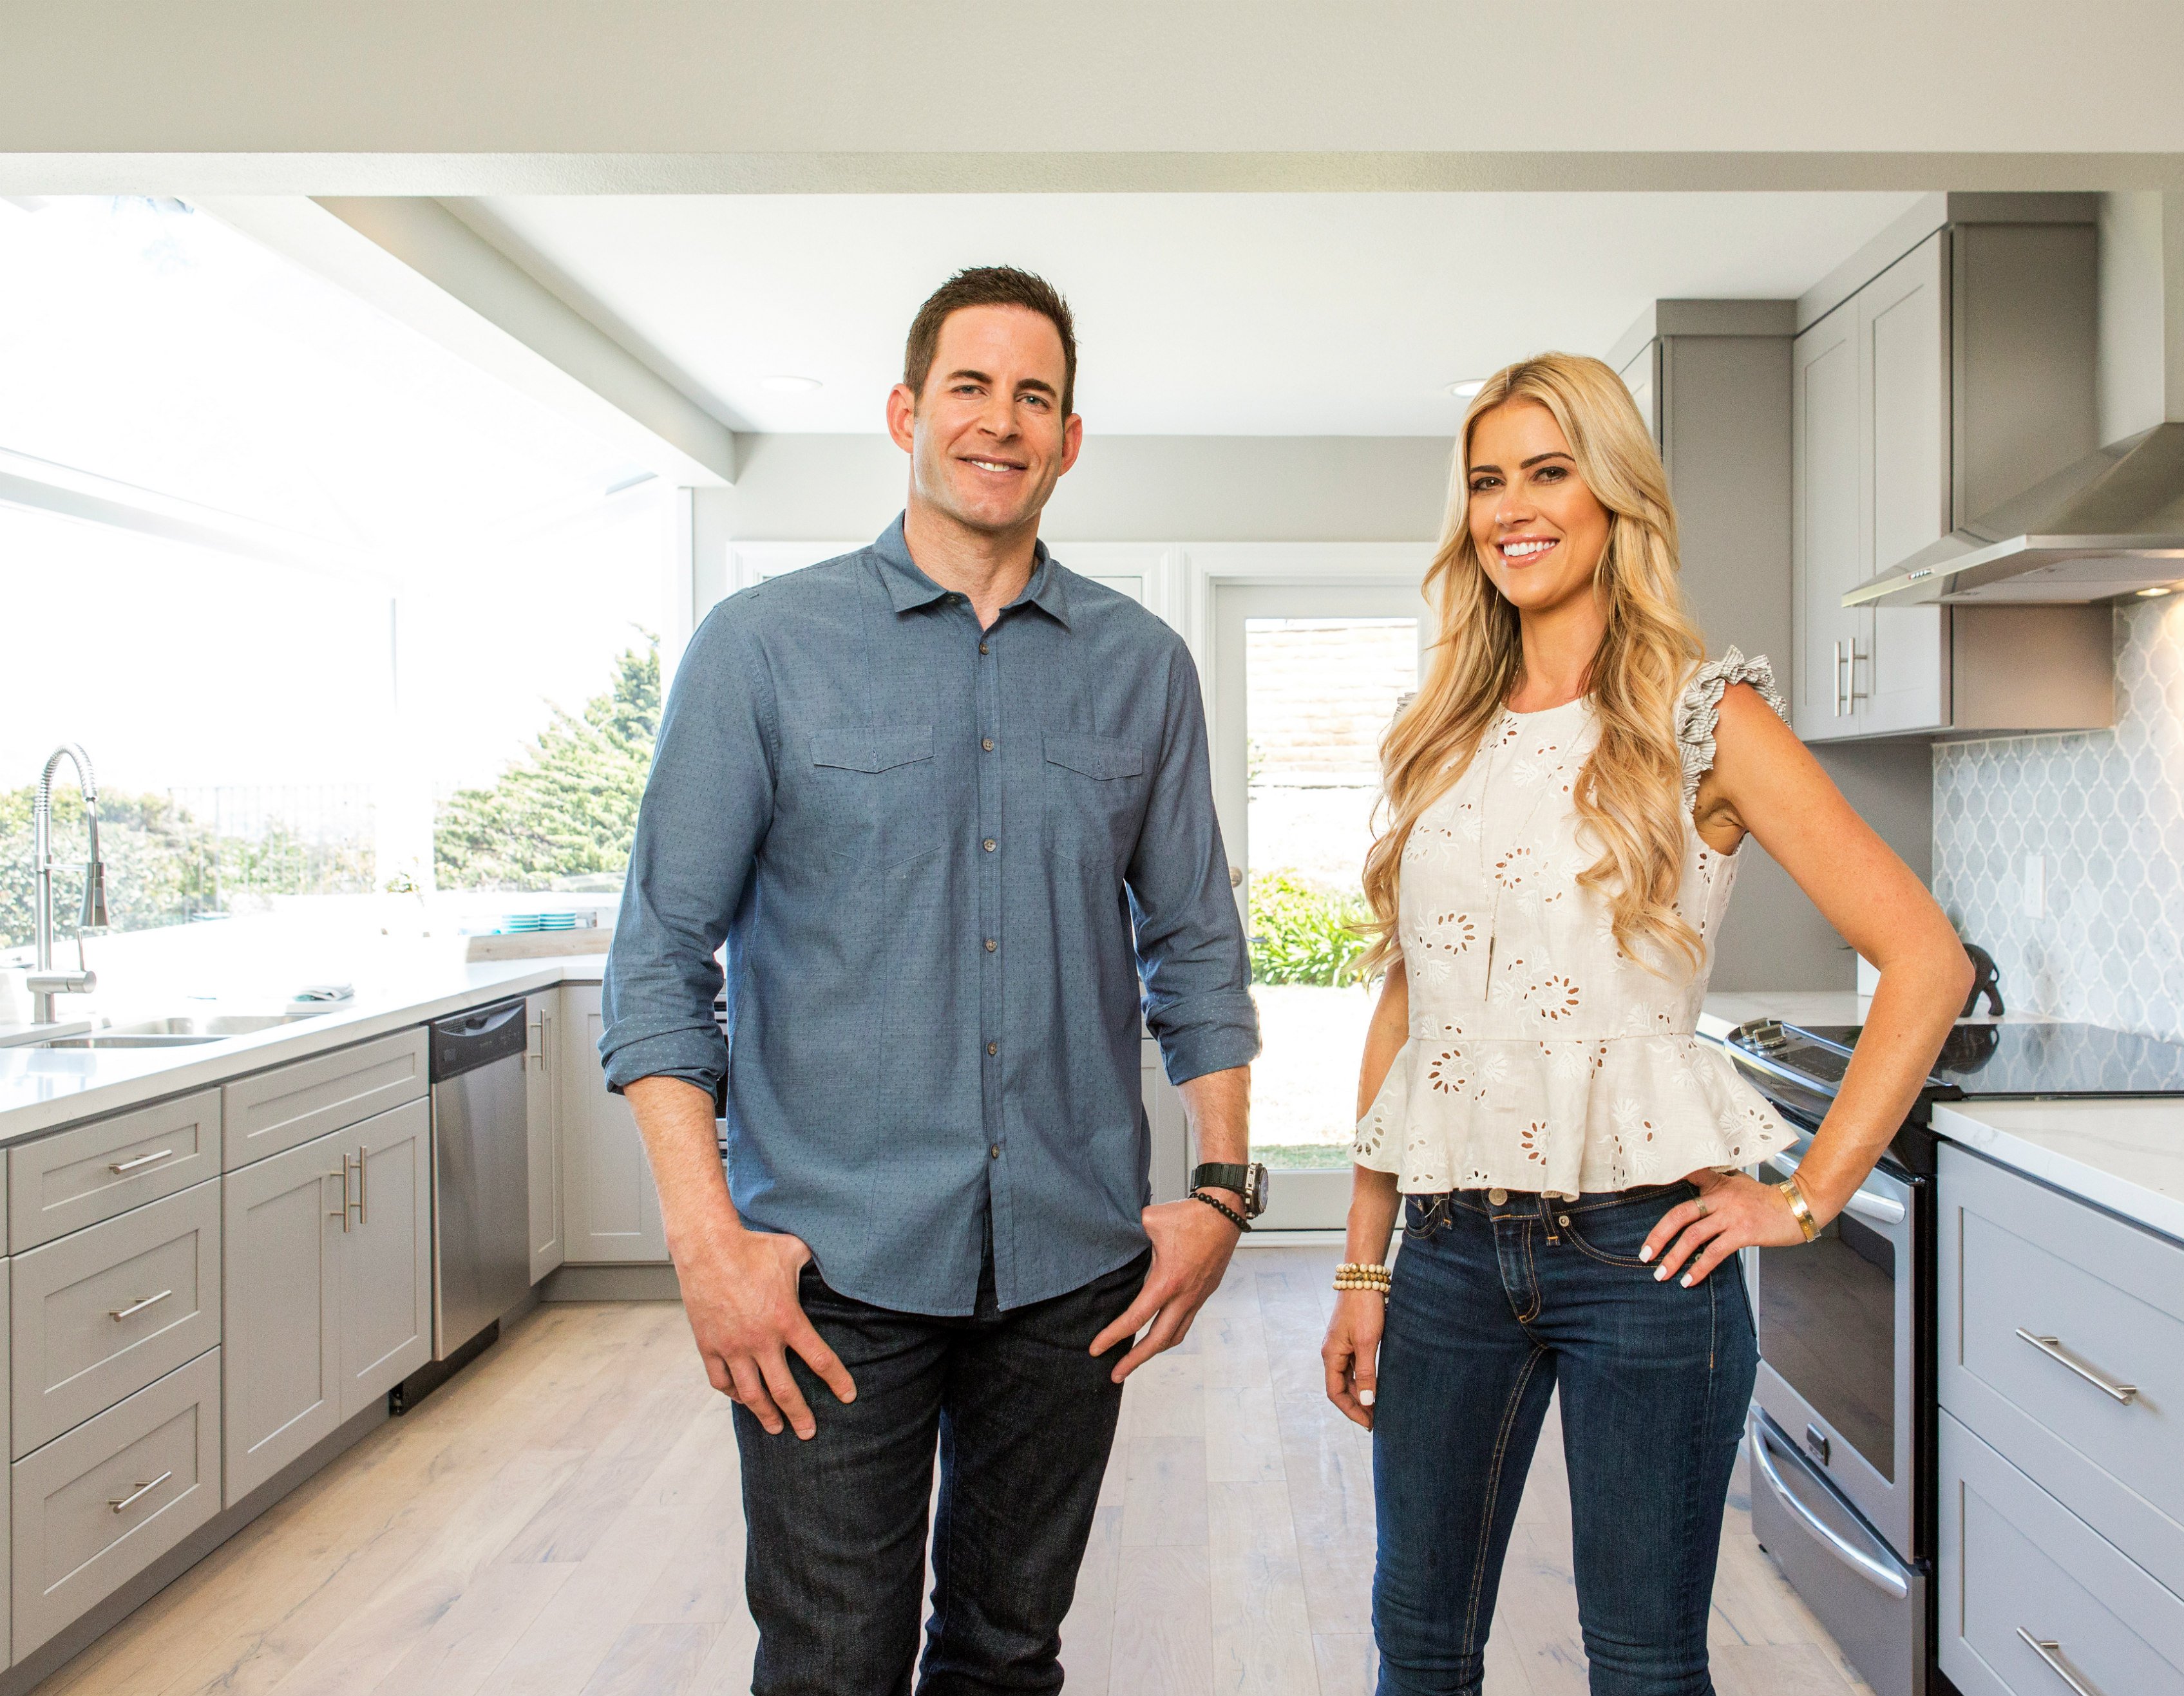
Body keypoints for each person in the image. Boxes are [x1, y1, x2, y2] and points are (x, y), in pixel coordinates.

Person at [602, 266, 1265, 1696]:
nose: (1001, 421)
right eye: (970, 386)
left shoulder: (1143, 669)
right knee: (834, 1662)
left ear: (1069, 440)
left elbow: (1197, 943)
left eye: (1036, 396)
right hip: (828, 1275)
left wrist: (1222, 1192)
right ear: (908, 413)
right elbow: (658, 957)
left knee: (1008, 1655)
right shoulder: (761, 651)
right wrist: (704, 1242)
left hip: (1070, 1263)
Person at [1320, 352, 1970, 1695]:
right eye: (1488, 479)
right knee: (1418, 1651)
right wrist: (1363, 1263)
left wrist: (1800, 1204)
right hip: (1444, 1253)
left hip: (1642, 1257)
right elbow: (1412, 1003)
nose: (1513, 506)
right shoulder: (1437, 728)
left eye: (1548, 472)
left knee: (1645, 1663)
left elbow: (1924, 959)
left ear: (1614, 497)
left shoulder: (1703, 720)